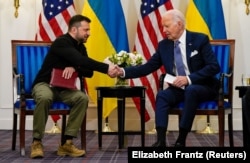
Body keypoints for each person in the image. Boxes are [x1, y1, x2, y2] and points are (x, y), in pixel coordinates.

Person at [116, 9, 220, 147]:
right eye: (162, 26)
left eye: (167, 26)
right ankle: (160, 141)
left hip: (203, 86)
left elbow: (213, 67)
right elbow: (148, 67)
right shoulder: (164, 45)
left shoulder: (200, 40)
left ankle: (181, 139)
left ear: (179, 24)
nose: (164, 30)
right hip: (179, 88)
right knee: (163, 96)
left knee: (192, 90)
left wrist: (188, 78)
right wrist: (122, 71)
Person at [30, 15, 117, 158]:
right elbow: (80, 60)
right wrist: (106, 68)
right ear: (74, 29)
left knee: (82, 98)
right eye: (86, 30)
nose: (89, 33)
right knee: (45, 97)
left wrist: (74, 68)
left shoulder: (81, 47)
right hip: (44, 84)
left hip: (63, 89)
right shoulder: (61, 42)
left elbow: (88, 72)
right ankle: (36, 142)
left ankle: (67, 143)